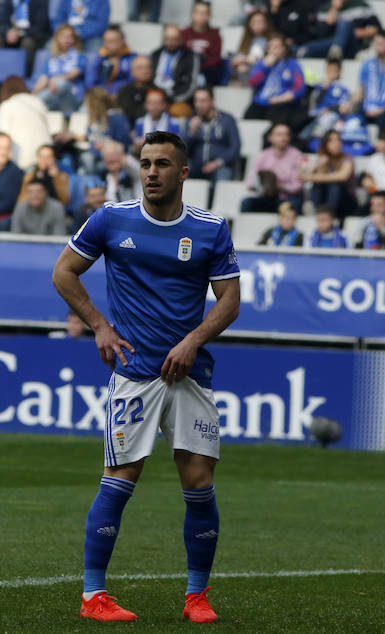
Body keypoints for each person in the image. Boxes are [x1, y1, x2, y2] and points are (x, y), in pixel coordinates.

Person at [51, 130, 241, 624]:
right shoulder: (111, 219)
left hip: (191, 373)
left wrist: (192, 340)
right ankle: (94, 596)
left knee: (199, 482)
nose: (152, 171)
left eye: (162, 164)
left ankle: (196, 596)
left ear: (184, 172)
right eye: (145, 162)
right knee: (120, 478)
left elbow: (231, 301)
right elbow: (64, 272)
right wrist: (100, 326)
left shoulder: (211, 228)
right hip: (135, 373)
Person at [346, 30, 385, 126]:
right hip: (367, 108)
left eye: (381, 43)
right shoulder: (367, 65)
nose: (377, 46)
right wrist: (349, 104)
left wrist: (381, 110)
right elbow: (361, 90)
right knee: (351, 120)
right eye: (376, 43)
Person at [244, 35, 306, 131]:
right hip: (261, 102)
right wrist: (265, 66)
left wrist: (282, 98)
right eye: (271, 47)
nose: (274, 50)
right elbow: (253, 82)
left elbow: (300, 88)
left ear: (284, 49)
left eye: (277, 47)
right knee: (248, 117)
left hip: (281, 103)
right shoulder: (261, 64)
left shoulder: (293, 64)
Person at [241, 122, 304, 213]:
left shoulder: (297, 155)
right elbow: (250, 182)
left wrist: (280, 185)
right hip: (266, 196)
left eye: (286, 135)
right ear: (270, 138)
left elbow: (297, 186)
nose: (283, 138)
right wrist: (263, 184)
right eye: (279, 134)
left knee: (293, 204)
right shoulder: (263, 156)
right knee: (246, 202)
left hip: (286, 197)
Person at [185, 86, 240, 184]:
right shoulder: (191, 120)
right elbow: (182, 148)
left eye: (203, 101)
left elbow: (235, 147)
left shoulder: (227, 120)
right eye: (196, 101)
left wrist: (217, 163)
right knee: (180, 172)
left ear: (212, 101)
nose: (198, 104)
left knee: (223, 173)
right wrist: (191, 132)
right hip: (196, 165)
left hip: (219, 165)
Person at [0, 75, 51, 170]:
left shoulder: (6, 105)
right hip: (46, 156)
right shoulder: (38, 102)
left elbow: (4, 137)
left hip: (23, 159)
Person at [302, 130, 357, 222]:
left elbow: (342, 176)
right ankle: (318, 214)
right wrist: (319, 165)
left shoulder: (347, 158)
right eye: (331, 141)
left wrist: (313, 177)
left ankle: (329, 216)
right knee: (318, 185)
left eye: (338, 140)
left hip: (345, 201)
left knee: (335, 185)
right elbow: (304, 175)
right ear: (325, 144)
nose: (336, 143)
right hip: (325, 198)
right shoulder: (323, 159)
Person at [32, 23, 86, 114]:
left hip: (71, 100)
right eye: (63, 36)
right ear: (57, 38)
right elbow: (43, 79)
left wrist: (57, 79)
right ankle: (32, 100)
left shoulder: (80, 56)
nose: (67, 39)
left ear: (74, 39)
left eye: (70, 37)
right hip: (53, 99)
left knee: (62, 83)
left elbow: (74, 73)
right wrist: (33, 93)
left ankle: (33, 103)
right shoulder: (51, 59)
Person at [150, 24, 200, 118]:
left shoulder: (190, 57)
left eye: (174, 39)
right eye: (167, 39)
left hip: (178, 99)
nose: (170, 43)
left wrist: (173, 100)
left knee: (177, 111)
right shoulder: (155, 55)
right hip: (155, 96)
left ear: (181, 39)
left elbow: (192, 85)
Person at [300, 58, 350, 150]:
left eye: (334, 70)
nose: (331, 73)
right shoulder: (319, 87)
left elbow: (344, 106)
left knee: (329, 119)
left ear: (339, 72)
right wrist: (323, 89)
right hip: (317, 116)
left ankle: (322, 139)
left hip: (334, 117)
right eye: (329, 70)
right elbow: (314, 103)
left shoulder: (343, 89)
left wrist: (330, 110)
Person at [0, 0, 51, 75]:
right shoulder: (9, 2)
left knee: (28, 43)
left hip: (32, 35)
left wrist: (20, 33)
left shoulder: (39, 2)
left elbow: (41, 25)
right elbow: (2, 22)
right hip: (11, 34)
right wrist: (8, 31)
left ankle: (24, 77)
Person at [181, 1, 222, 86]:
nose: (201, 16)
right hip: (187, 69)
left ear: (209, 16)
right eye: (199, 13)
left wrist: (198, 65)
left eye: (205, 13)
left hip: (207, 71)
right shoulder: (183, 34)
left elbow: (215, 59)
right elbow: (181, 56)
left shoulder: (215, 35)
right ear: (192, 14)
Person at [230, 9, 276, 84]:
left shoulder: (271, 40)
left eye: (260, 22)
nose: (257, 25)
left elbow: (268, 61)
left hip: (263, 72)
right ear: (249, 24)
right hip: (246, 71)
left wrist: (245, 61)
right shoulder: (246, 40)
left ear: (266, 23)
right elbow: (239, 56)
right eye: (254, 22)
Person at [86, 26, 135, 95]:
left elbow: (133, 82)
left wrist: (116, 91)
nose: (106, 45)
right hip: (101, 96)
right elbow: (90, 81)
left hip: (123, 96)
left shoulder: (132, 58)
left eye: (110, 41)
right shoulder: (99, 58)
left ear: (121, 42)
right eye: (105, 41)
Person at [116, 55, 154, 125]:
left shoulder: (158, 92)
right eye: (140, 68)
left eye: (147, 67)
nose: (145, 71)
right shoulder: (124, 91)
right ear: (132, 72)